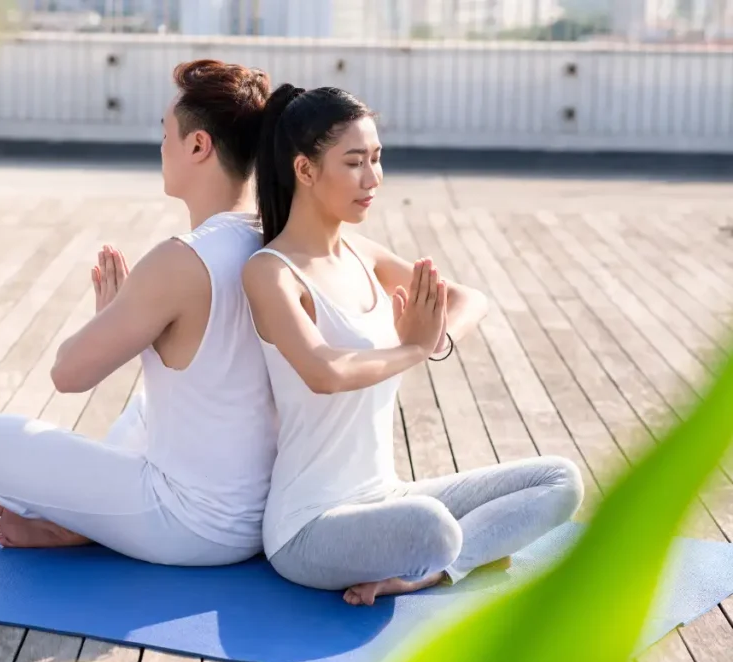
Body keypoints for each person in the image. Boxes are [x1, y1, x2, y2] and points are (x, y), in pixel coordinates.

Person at [241, 84, 584, 605]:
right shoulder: (272, 272)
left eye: (377, 159)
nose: (373, 178)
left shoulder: (362, 254)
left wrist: (433, 339)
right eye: (355, 162)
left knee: (561, 479)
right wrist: (411, 350)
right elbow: (322, 371)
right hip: (308, 526)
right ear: (305, 170)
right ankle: (439, 555)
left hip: (386, 494)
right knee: (432, 527)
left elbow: (469, 298)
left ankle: (435, 572)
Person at [0, 60, 278, 567]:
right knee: (146, 406)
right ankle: (76, 523)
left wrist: (106, 320)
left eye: (166, 134)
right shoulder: (275, 240)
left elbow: (68, 375)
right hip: (260, 517)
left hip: (193, 527)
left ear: (198, 146)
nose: (161, 147)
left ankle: (77, 525)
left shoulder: (181, 259)